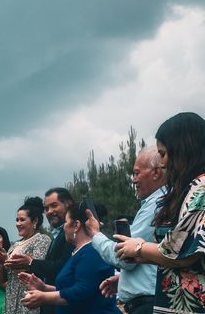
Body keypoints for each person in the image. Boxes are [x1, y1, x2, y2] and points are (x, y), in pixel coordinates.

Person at [115, 112, 205, 313]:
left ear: (183, 150)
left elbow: (182, 251)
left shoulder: (201, 189)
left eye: (163, 154)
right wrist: (145, 257)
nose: (162, 163)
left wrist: (138, 248)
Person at [85, 146, 165, 314]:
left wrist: (95, 234)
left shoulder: (155, 205)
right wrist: (124, 281)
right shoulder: (159, 203)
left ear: (156, 173)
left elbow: (125, 257)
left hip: (147, 304)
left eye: (136, 173)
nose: (133, 180)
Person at [19, 203, 119, 314]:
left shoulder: (92, 252)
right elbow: (70, 288)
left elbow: (81, 292)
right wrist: (44, 287)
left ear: (76, 225)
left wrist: (44, 297)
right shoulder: (77, 252)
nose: (64, 227)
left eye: (66, 222)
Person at [6, 188, 75, 314]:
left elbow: (61, 267)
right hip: (45, 299)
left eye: (54, 206)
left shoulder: (66, 235)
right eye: (46, 208)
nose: (49, 211)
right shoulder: (57, 234)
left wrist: (31, 263)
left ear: (68, 204)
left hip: (60, 300)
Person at [0, 197, 50, 314]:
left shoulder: (42, 240)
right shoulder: (15, 245)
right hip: (11, 299)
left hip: (28, 297)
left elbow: (37, 271)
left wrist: (6, 259)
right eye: (17, 220)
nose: (18, 223)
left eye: (22, 220)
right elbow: (4, 279)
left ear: (35, 221)